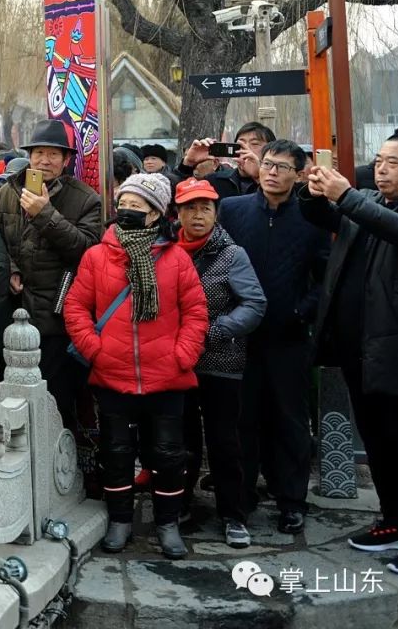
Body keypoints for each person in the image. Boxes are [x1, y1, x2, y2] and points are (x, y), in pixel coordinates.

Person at [298, 124, 398, 576]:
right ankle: (395, 520)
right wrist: (314, 192)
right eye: (380, 161)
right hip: (357, 349)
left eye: (393, 163)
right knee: (379, 441)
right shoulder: (367, 203)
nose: (381, 170)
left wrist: (346, 195)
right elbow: (320, 216)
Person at [64, 172, 208, 559]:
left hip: (167, 378)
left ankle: (167, 523)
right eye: (123, 204)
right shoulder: (97, 256)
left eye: (137, 206)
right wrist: (95, 350)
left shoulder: (176, 259)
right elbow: (76, 307)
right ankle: (120, 520)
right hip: (112, 374)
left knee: (168, 455)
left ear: (156, 214)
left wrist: (182, 356)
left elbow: (196, 312)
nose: (127, 211)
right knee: (117, 452)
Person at [218, 139, 330, 534]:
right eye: (267, 163)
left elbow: (326, 276)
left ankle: (291, 500)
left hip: (289, 335)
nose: (272, 172)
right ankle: (241, 495)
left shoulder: (313, 217)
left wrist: (302, 311)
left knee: (290, 420)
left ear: (299, 173)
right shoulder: (232, 210)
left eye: (282, 166)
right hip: (238, 337)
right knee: (241, 419)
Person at [173, 178, 266, 548]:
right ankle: (180, 504)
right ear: (177, 213)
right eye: (190, 208)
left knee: (225, 441)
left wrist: (214, 330)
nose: (198, 215)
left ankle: (233, 514)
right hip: (176, 363)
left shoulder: (232, 254)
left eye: (206, 208)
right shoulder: (165, 251)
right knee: (180, 440)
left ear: (216, 213)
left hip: (220, 360)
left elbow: (254, 304)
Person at [0, 118, 102, 424]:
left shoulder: (84, 199)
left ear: (66, 160)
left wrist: (46, 214)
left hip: (57, 313)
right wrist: (12, 268)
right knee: (14, 395)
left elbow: (86, 251)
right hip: (13, 310)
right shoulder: (7, 192)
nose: (45, 160)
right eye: (38, 152)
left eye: (54, 154)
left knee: (56, 396)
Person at [177, 121, 276, 199]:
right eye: (241, 143)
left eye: (254, 144)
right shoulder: (216, 180)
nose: (246, 148)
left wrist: (259, 177)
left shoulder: (277, 182)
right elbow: (179, 196)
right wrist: (188, 164)